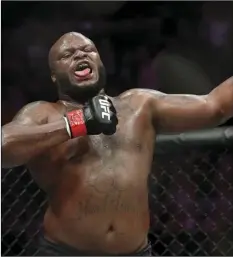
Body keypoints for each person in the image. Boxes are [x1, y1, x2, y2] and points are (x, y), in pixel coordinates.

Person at [2, 32, 233, 256]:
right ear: (54, 75)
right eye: (68, 54)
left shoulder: (140, 105)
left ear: (100, 61)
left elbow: (214, 107)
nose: (80, 55)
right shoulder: (44, 113)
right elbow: (4, 147)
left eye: (88, 50)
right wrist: (77, 123)